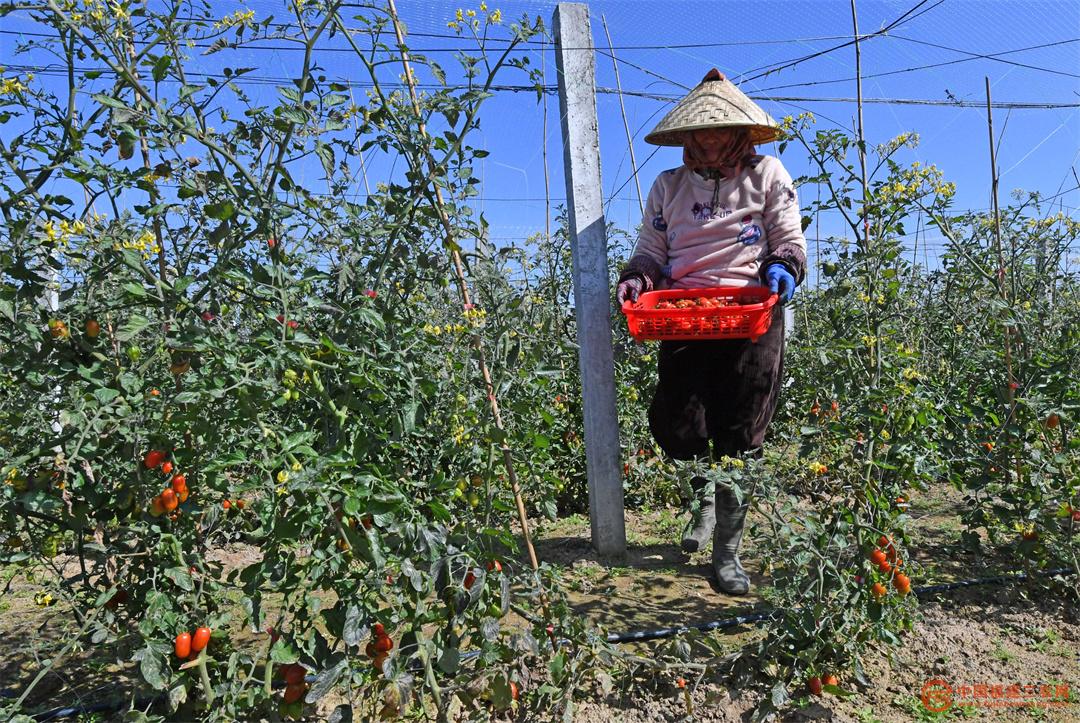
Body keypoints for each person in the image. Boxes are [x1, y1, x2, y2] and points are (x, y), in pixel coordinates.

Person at [616, 69, 806, 595]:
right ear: (687, 136)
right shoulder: (669, 185)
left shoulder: (768, 173)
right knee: (679, 425)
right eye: (701, 131)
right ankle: (703, 494)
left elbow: (788, 235)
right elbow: (652, 249)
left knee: (740, 434)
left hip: (749, 313)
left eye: (721, 129)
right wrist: (637, 278)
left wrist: (784, 265)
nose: (711, 139)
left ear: (741, 132)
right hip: (686, 313)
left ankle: (726, 552)